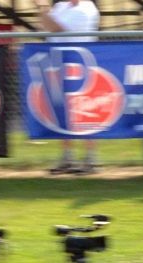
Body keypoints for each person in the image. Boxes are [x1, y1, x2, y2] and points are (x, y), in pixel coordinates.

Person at [35, 0, 100, 174]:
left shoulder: (87, 8)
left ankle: (90, 159)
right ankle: (67, 157)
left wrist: (42, 9)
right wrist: (45, 13)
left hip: (80, 63)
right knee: (62, 111)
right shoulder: (60, 6)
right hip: (59, 62)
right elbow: (45, 26)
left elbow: (56, 28)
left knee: (85, 112)